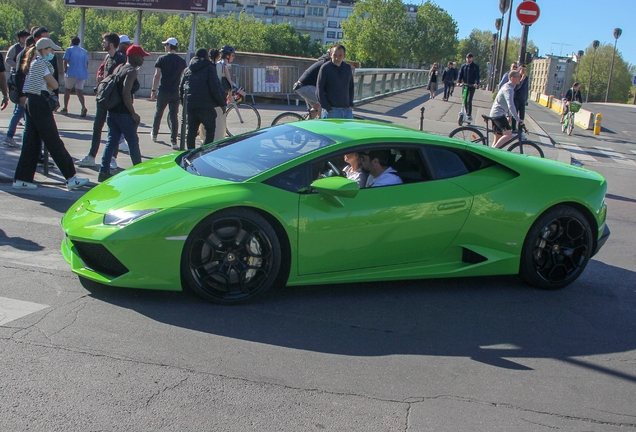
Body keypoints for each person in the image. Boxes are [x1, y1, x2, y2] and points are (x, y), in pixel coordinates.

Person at [12, 38, 88, 190]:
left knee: (31, 141)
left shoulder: (33, 63)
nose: (52, 53)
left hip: (31, 102)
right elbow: (53, 84)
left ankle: (22, 178)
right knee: (53, 140)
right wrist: (50, 84)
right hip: (40, 103)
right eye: (51, 50)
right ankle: (71, 177)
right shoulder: (41, 64)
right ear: (44, 50)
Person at [98, 44, 149, 183]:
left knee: (111, 141)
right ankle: (139, 173)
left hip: (112, 111)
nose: (143, 59)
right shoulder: (131, 71)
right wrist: (133, 113)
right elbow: (126, 93)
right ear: (134, 57)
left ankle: (103, 171)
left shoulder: (119, 68)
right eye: (141, 56)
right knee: (133, 142)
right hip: (123, 113)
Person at [77, 33, 126, 168]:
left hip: (114, 100)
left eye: (104, 42)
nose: (102, 44)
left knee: (113, 130)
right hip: (103, 98)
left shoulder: (120, 59)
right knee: (97, 127)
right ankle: (91, 156)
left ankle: (112, 158)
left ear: (110, 44)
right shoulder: (107, 58)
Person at [179, 48, 227, 150]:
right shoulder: (210, 68)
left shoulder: (188, 70)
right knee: (210, 130)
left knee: (191, 131)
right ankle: (203, 151)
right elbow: (215, 87)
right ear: (206, 56)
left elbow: (181, 88)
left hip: (191, 105)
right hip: (206, 106)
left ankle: (190, 152)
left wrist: (184, 103)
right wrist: (222, 103)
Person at [150, 37, 187, 149]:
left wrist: (153, 90)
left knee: (159, 112)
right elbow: (183, 76)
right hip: (175, 91)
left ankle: (154, 134)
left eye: (166, 44)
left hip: (163, 90)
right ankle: (174, 141)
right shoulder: (181, 61)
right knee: (174, 116)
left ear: (169, 46)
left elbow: (157, 76)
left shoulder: (162, 59)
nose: (165, 46)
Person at [316, 44, 354, 119]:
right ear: (331, 55)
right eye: (335, 55)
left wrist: (350, 105)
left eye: (340, 55)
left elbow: (351, 87)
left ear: (344, 56)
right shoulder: (325, 68)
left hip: (346, 110)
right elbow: (319, 89)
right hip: (332, 111)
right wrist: (328, 108)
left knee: (348, 131)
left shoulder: (347, 68)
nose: (337, 58)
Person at [489, 70, 523, 149]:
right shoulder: (509, 89)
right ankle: (492, 153)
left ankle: (490, 155)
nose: (520, 78)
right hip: (498, 114)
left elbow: (507, 105)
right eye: (518, 77)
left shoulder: (508, 87)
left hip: (496, 113)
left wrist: (508, 115)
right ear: (512, 78)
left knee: (497, 139)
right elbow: (510, 105)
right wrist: (518, 119)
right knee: (509, 135)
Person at [293, 50, 331, 118]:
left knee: (316, 107)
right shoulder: (325, 64)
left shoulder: (322, 62)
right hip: (304, 87)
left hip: (301, 86)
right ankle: (321, 123)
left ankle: (306, 124)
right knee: (323, 101)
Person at [60, 36, 89, 116]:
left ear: (71, 42)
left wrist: (65, 70)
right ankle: (83, 107)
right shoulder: (83, 51)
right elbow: (87, 62)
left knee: (67, 90)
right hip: (82, 74)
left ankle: (65, 107)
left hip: (71, 72)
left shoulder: (69, 49)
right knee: (79, 92)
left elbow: (65, 60)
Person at [456, 53, 480, 123]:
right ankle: (465, 113)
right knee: (464, 99)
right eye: (467, 58)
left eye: (470, 58)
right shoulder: (463, 66)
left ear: (472, 58)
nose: (468, 59)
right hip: (465, 85)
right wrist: (459, 81)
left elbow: (477, 76)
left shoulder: (475, 67)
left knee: (469, 100)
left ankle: (468, 115)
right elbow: (460, 74)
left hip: (472, 85)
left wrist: (476, 83)